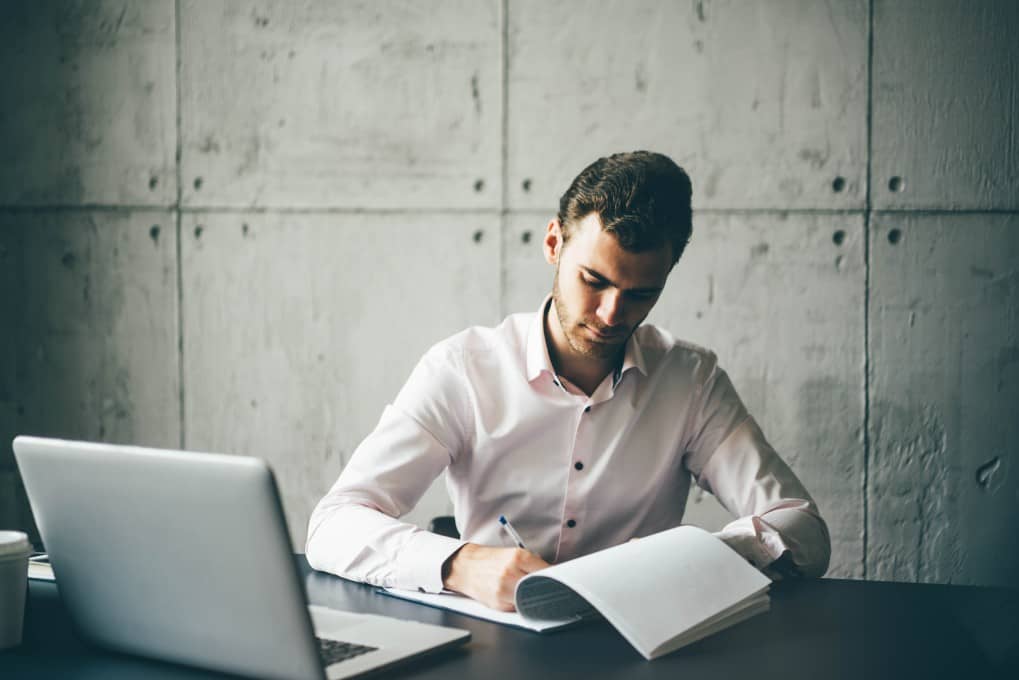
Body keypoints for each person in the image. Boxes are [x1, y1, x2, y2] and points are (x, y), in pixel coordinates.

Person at [306, 151, 830, 612]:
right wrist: (460, 565)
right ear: (554, 243)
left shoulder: (691, 381)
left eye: (641, 294)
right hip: (494, 648)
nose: (610, 313)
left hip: (642, 649)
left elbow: (802, 527)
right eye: (594, 281)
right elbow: (332, 526)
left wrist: (693, 560)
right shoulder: (463, 369)